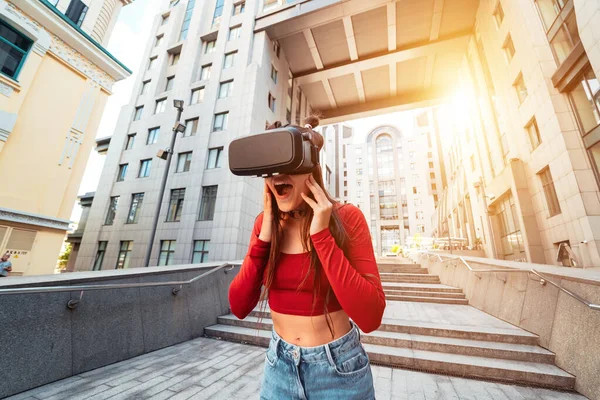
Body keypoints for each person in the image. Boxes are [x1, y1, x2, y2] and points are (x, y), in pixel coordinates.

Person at [228, 116, 386, 399]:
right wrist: (264, 238)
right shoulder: (264, 225)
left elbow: (371, 316)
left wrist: (322, 237)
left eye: (286, 161)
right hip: (279, 366)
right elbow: (238, 306)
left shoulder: (348, 218)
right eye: (269, 167)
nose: (277, 175)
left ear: (310, 167)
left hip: (339, 370)